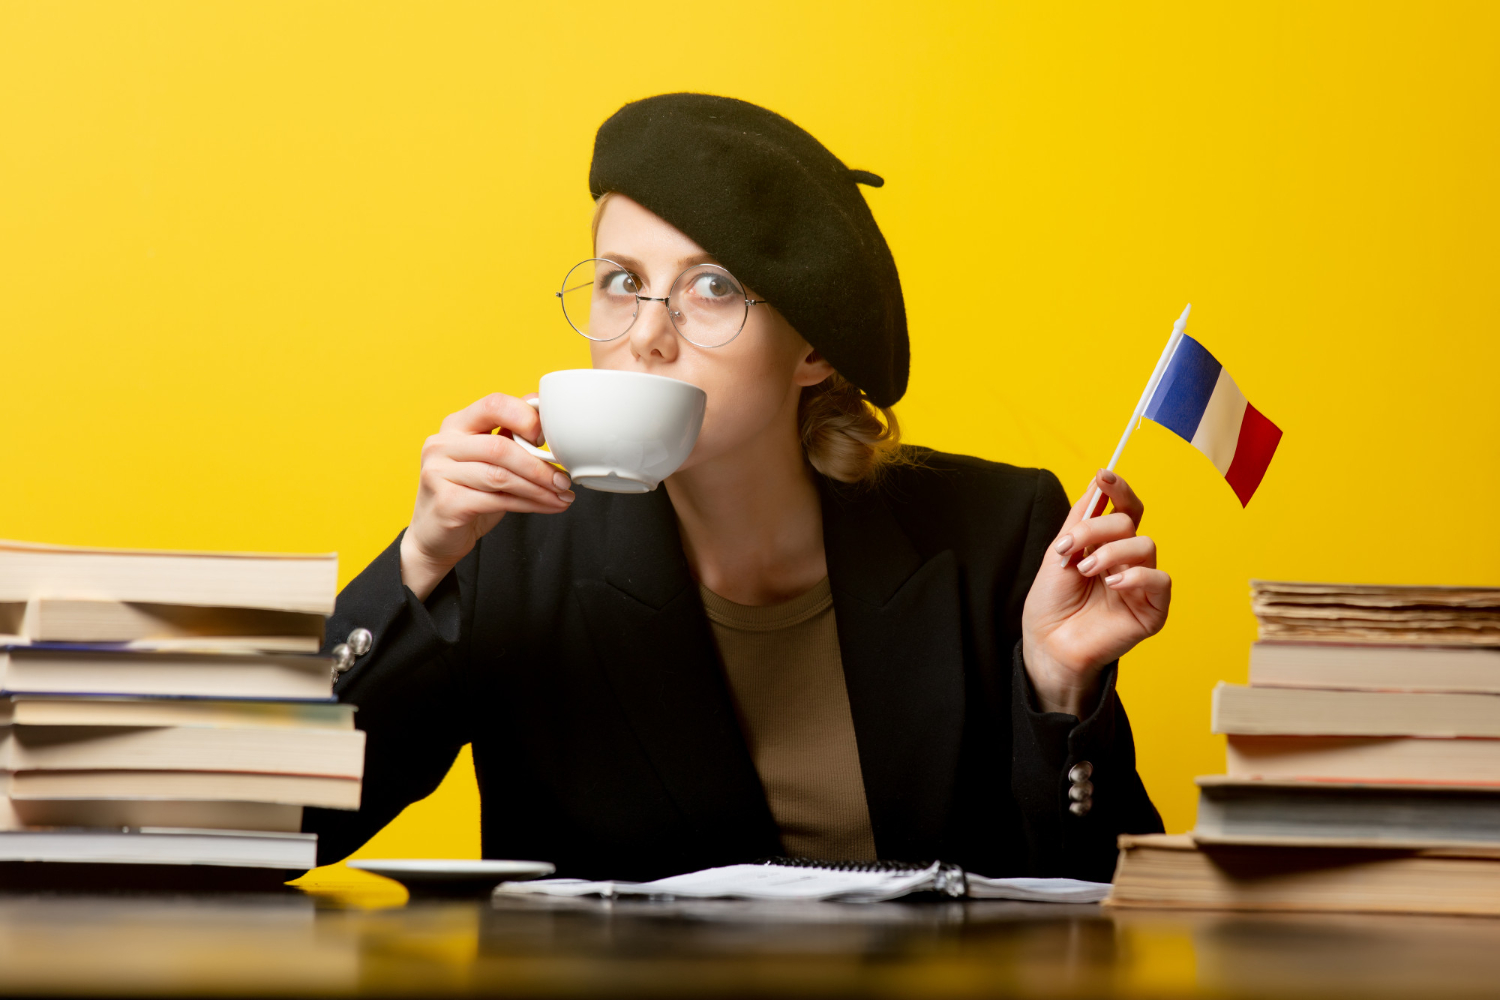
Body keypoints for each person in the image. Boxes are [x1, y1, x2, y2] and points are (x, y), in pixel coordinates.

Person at [307, 94, 1168, 883]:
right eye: (622, 283)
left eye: (710, 288)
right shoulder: (511, 552)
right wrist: (419, 560)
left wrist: (1059, 689)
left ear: (814, 350)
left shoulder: (998, 537)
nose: (646, 335)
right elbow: (281, 827)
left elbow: (1107, 898)